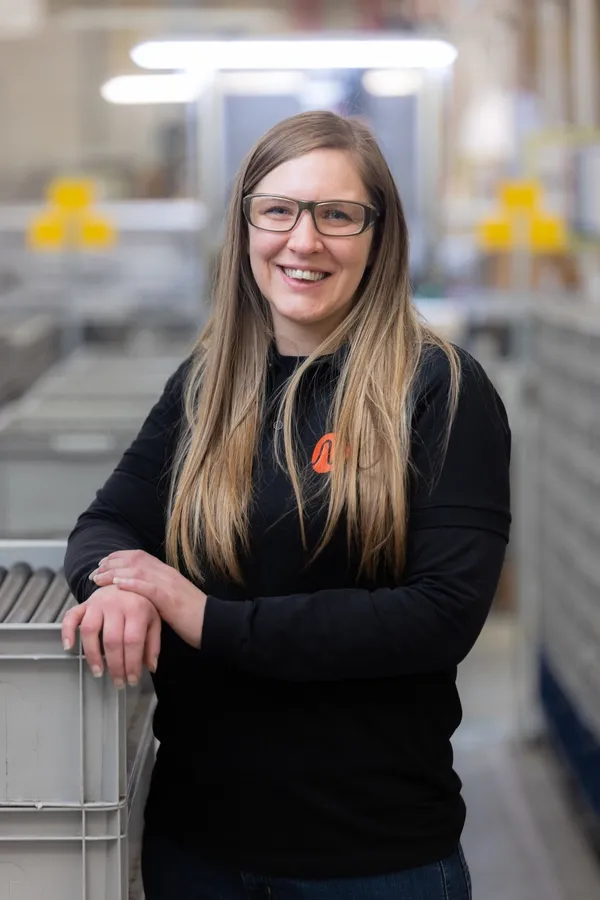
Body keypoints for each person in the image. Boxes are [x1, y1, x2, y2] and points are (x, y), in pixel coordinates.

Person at [62, 110, 511, 900]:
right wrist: (115, 587)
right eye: (278, 210)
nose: (304, 241)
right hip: (197, 850)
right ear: (245, 227)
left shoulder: (440, 390)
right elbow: (108, 521)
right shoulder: (207, 385)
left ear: (380, 236)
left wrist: (204, 617)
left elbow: (440, 614)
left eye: (338, 214)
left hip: (372, 860)